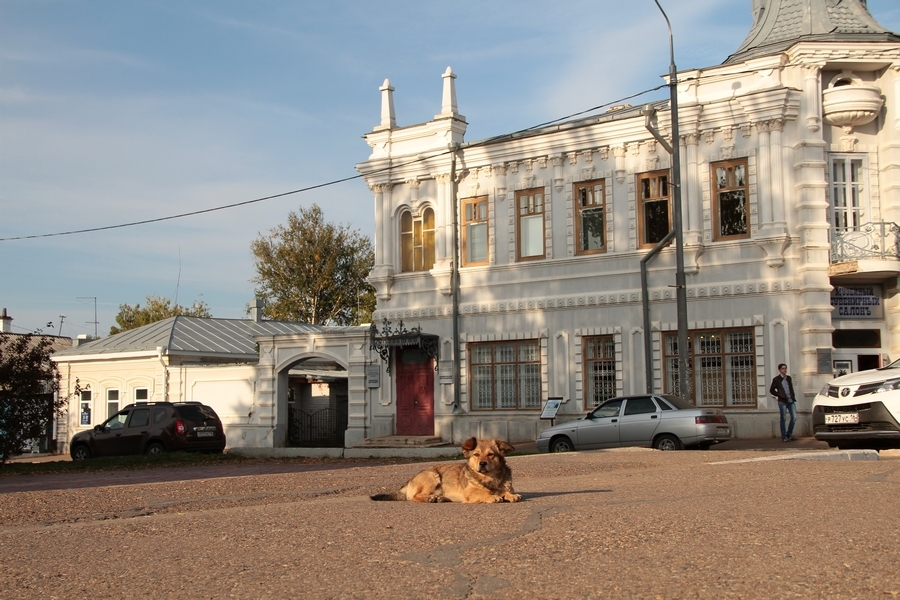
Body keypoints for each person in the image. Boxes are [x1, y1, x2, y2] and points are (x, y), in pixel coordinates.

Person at [769, 363, 797, 442]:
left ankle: (789, 434)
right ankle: (784, 436)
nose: (784, 370)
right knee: (783, 418)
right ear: (779, 370)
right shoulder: (776, 379)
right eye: (783, 368)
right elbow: (771, 390)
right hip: (782, 401)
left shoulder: (788, 378)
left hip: (790, 400)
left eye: (785, 368)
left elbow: (790, 388)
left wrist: (792, 396)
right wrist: (779, 395)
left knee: (794, 417)